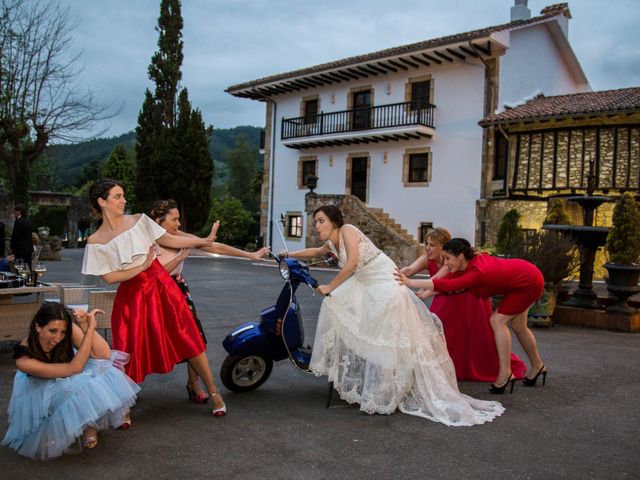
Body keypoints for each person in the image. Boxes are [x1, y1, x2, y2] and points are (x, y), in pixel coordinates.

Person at [285, 205, 504, 426]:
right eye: (315, 222)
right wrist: (288, 254)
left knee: (384, 337)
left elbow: (351, 263)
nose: (317, 225)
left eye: (321, 220)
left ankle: (384, 390)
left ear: (334, 222)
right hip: (366, 284)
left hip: (383, 284)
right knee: (337, 309)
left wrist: (330, 286)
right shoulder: (332, 242)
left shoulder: (348, 231)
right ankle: (360, 373)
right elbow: (315, 252)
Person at [81, 179, 226, 416]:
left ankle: (213, 392)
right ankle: (123, 404)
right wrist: (141, 267)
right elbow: (109, 277)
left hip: (161, 286)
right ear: (101, 201)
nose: (123, 200)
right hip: (131, 295)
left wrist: (202, 240)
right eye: (117, 196)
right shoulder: (95, 241)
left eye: (123, 195)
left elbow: (169, 239)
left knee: (187, 336)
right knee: (127, 346)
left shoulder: (139, 220)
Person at [150, 199, 270, 404]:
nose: (179, 224)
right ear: (158, 221)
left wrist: (250, 255)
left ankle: (193, 383)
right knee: (151, 341)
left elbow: (213, 245)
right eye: (174, 219)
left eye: (179, 219)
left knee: (194, 337)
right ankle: (128, 388)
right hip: (154, 293)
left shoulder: (179, 236)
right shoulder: (147, 239)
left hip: (178, 291)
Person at [395, 238, 547, 394]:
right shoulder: (467, 264)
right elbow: (447, 283)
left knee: (497, 320)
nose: (445, 263)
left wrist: (410, 283)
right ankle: (538, 366)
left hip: (529, 282)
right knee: (518, 326)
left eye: (448, 258)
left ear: (461, 256)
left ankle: (505, 373)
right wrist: (425, 292)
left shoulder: (477, 272)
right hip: (524, 276)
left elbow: (450, 285)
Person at [1, 302, 140, 460]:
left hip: (70, 372)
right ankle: (83, 423)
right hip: (43, 390)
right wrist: (90, 330)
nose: (58, 338)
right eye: (52, 331)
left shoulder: (64, 327)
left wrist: (84, 324)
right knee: (86, 384)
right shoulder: (24, 360)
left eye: (63, 332)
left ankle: (90, 424)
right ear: (38, 327)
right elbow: (74, 369)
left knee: (105, 368)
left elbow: (103, 354)